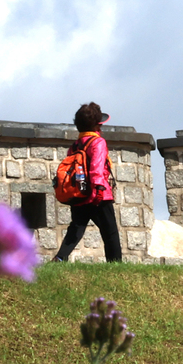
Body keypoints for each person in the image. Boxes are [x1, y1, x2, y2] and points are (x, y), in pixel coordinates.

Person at [53, 102, 122, 262]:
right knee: (110, 232)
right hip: (98, 195)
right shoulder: (98, 142)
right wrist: (98, 189)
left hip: (79, 193)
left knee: (76, 228)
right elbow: (96, 168)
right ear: (98, 125)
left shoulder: (75, 145)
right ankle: (116, 264)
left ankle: (60, 257)